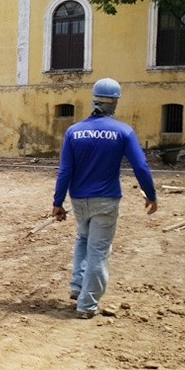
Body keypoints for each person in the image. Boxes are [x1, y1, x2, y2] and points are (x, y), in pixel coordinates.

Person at [52, 78, 158, 319]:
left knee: (83, 238)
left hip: (79, 199)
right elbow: (141, 166)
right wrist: (150, 194)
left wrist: (58, 202)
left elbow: (65, 170)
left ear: (93, 100)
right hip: (106, 200)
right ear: (115, 103)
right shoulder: (123, 131)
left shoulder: (74, 132)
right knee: (99, 250)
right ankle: (87, 305)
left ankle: (78, 286)